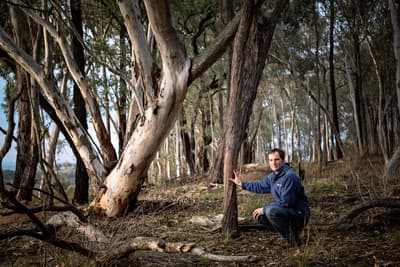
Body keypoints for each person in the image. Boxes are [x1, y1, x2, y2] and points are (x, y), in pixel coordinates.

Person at [230, 148, 310, 247]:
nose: (273, 163)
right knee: (259, 216)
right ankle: (293, 232)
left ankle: (293, 240)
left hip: (300, 214)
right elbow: (260, 186)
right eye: (271, 160)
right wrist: (241, 184)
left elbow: (287, 202)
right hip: (288, 212)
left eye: (276, 159)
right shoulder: (273, 176)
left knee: (270, 212)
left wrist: (264, 208)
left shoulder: (290, 176)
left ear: (283, 161)